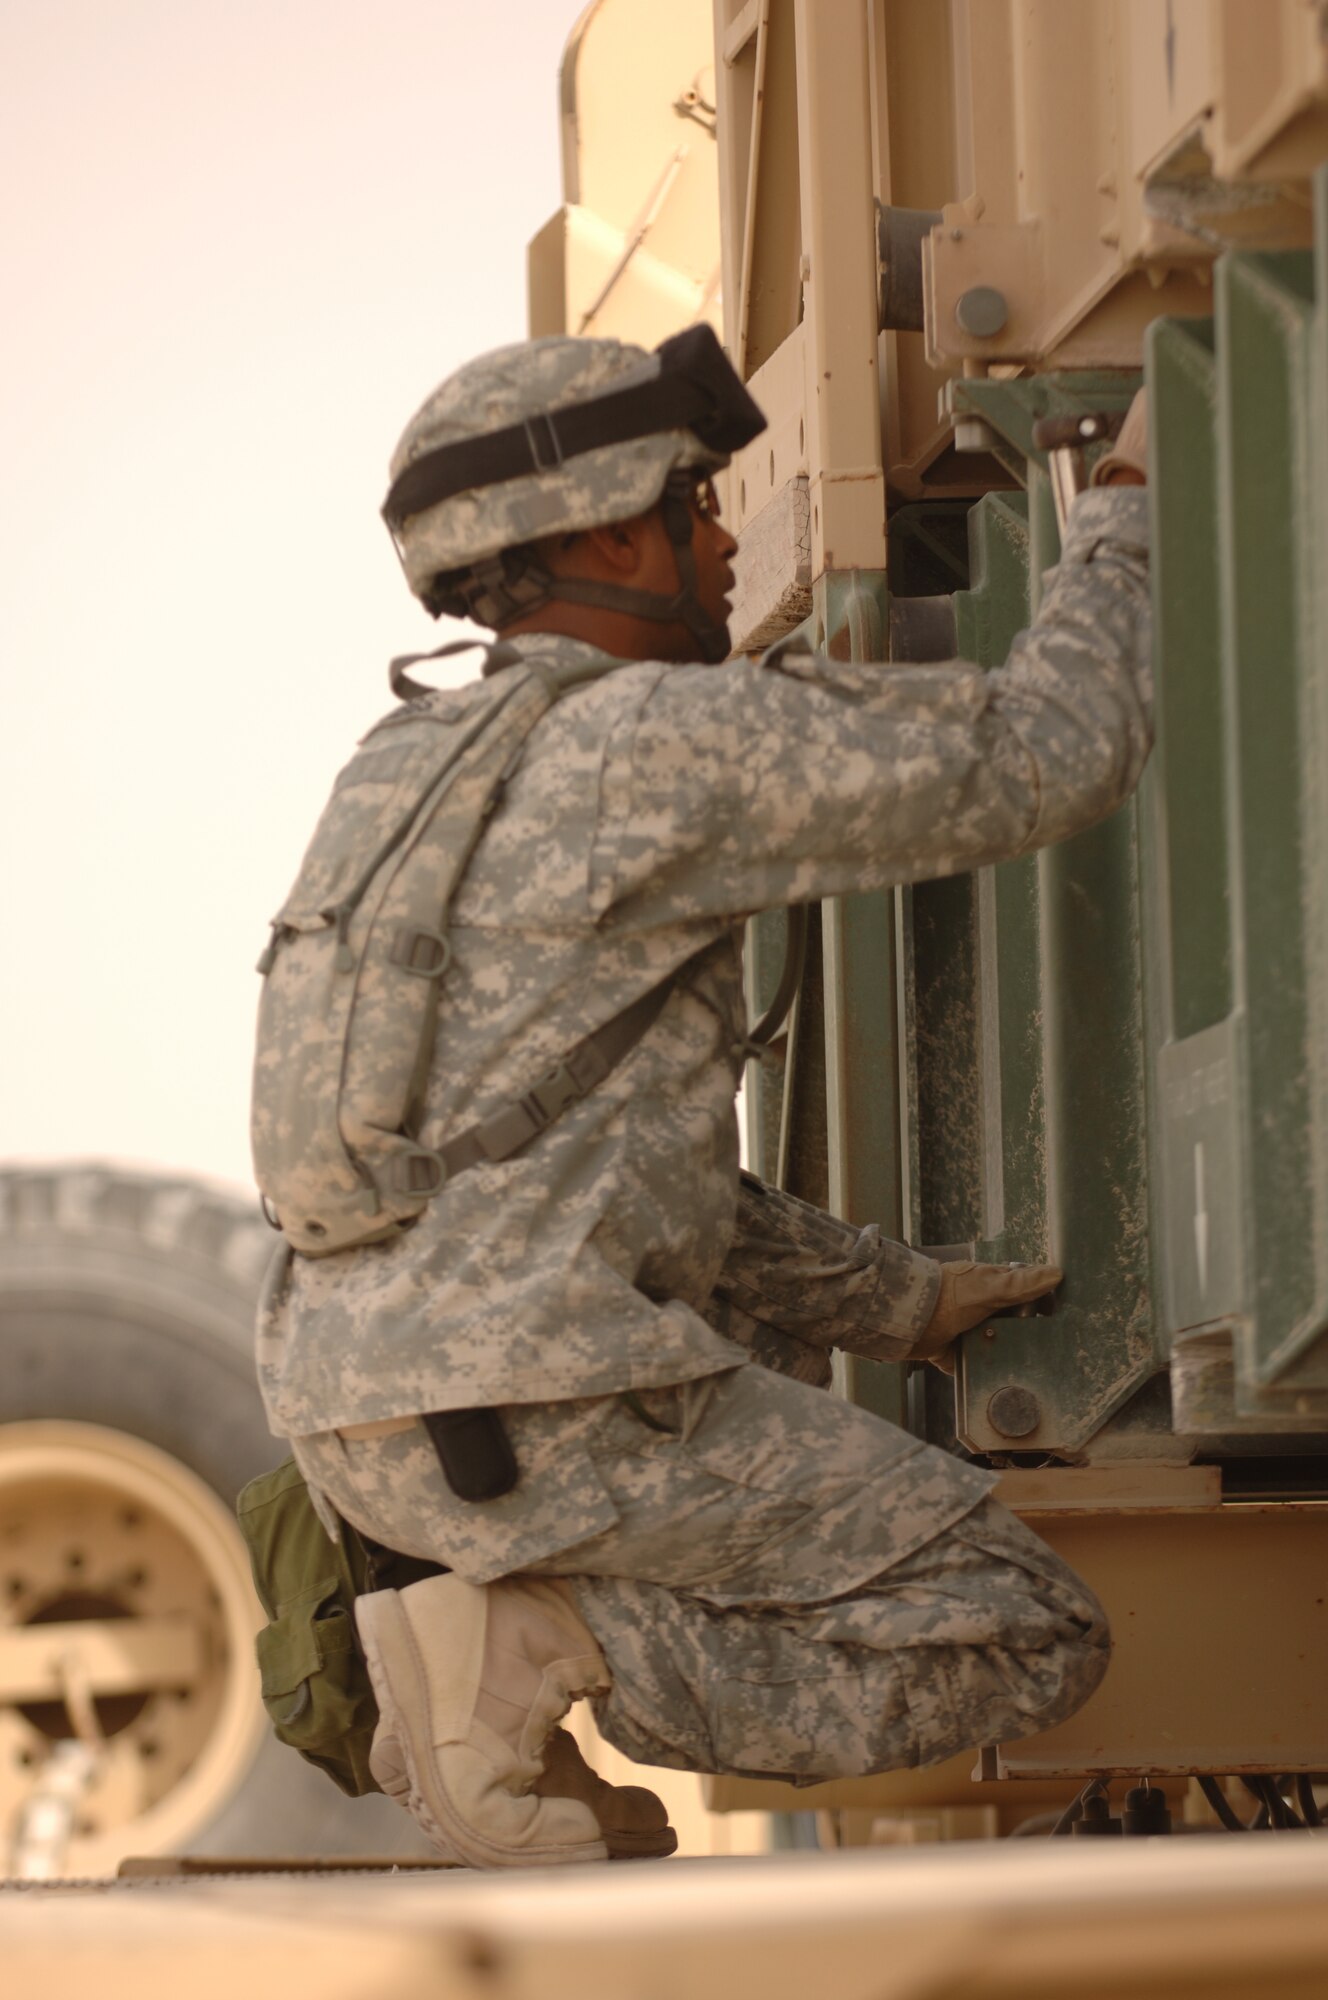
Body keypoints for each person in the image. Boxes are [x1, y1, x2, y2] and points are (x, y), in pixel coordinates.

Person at [252, 327, 1151, 1868]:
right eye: (696, 502)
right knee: (1018, 1627)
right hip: (542, 1406)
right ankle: (545, 1642)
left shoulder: (402, 770)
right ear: (608, 529)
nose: (729, 539)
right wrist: (1132, 496)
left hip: (365, 1408)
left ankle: (501, 1647)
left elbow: (582, 1158)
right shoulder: (648, 744)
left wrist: (902, 1303)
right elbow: (1047, 755)